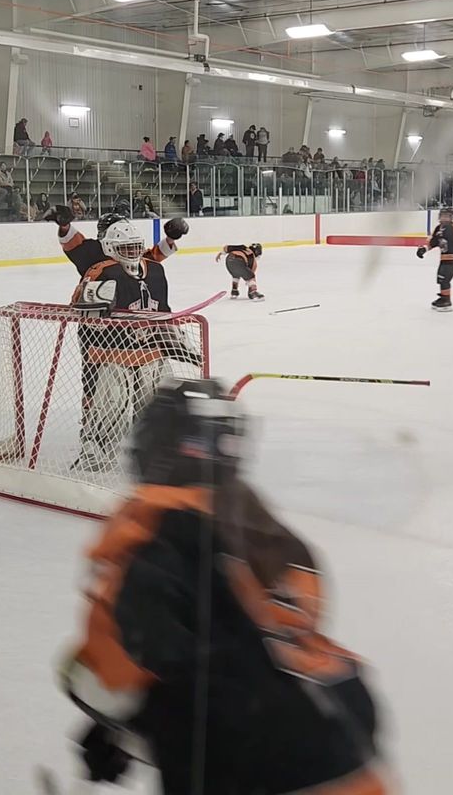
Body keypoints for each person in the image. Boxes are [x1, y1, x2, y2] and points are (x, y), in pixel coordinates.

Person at [59, 378, 388, 795]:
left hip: (244, 755)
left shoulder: (149, 530)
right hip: (342, 713)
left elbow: (111, 666)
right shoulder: (260, 522)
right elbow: (268, 628)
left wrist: (117, 727)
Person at [44, 206, 190, 469]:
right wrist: (64, 225)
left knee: (144, 388)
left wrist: (171, 238)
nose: (132, 251)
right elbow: (72, 243)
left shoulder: (135, 257)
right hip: (99, 335)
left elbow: (150, 256)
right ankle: (91, 435)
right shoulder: (93, 253)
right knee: (97, 385)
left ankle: (139, 430)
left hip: (135, 340)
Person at [416, 206, 453, 310]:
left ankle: (446, 301)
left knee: (444, 278)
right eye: (442, 216)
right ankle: (444, 297)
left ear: (451, 217)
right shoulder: (438, 228)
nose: (444, 218)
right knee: (440, 278)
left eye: (447, 216)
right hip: (443, 258)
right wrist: (424, 249)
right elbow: (433, 242)